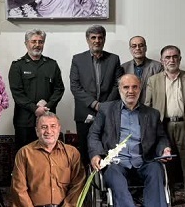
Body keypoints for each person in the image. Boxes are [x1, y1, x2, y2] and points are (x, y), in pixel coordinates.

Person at [88, 74, 173, 207]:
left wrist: (165, 149)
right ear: (120, 89)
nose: (130, 91)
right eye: (126, 87)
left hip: (143, 161)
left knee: (156, 170)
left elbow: (161, 137)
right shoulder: (106, 109)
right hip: (117, 163)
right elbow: (93, 135)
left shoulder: (152, 114)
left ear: (140, 89)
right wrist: (96, 154)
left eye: (134, 87)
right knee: (113, 175)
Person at [11, 112, 86, 207]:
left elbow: (78, 185)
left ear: (59, 129)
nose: (48, 131)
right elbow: (18, 189)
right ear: (37, 131)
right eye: (44, 127)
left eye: (53, 126)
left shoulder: (72, 153)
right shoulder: (24, 153)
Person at [145, 46, 185, 207]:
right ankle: (168, 196)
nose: (171, 60)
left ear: (179, 58)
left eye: (174, 56)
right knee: (166, 164)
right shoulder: (153, 80)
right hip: (162, 127)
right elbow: (147, 107)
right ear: (162, 60)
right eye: (167, 57)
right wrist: (148, 130)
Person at [70, 25, 123, 164]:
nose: (97, 41)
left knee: (107, 149)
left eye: (100, 37)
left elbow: (118, 84)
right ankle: (87, 177)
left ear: (104, 39)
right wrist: (94, 104)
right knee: (85, 150)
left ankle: (106, 177)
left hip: (108, 112)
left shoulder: (114, 59)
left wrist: (104, 106)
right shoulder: (78, 59)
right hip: (84, 113)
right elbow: (75, 86)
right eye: (93, 37)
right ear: (87, 40)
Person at [8, 29, 65, 151]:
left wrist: (47, 107)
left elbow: (59, 89)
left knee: (47, 153)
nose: (37, 45)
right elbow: (17, 93)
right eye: (33, 41)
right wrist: (35, 109)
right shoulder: (17, 66)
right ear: (26, 43)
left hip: (47, 120)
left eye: (40, 42)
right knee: (24, 154)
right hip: (24, 121)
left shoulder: (52, 65)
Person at [121, 35, 163, 104]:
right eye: (134, 46)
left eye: (141, 45)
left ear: (145, 48)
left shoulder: (157, 67)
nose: (137, 48)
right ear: (130, 49)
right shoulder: (123, 67)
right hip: (129, 106)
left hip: (150, 106)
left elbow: (160, 91)